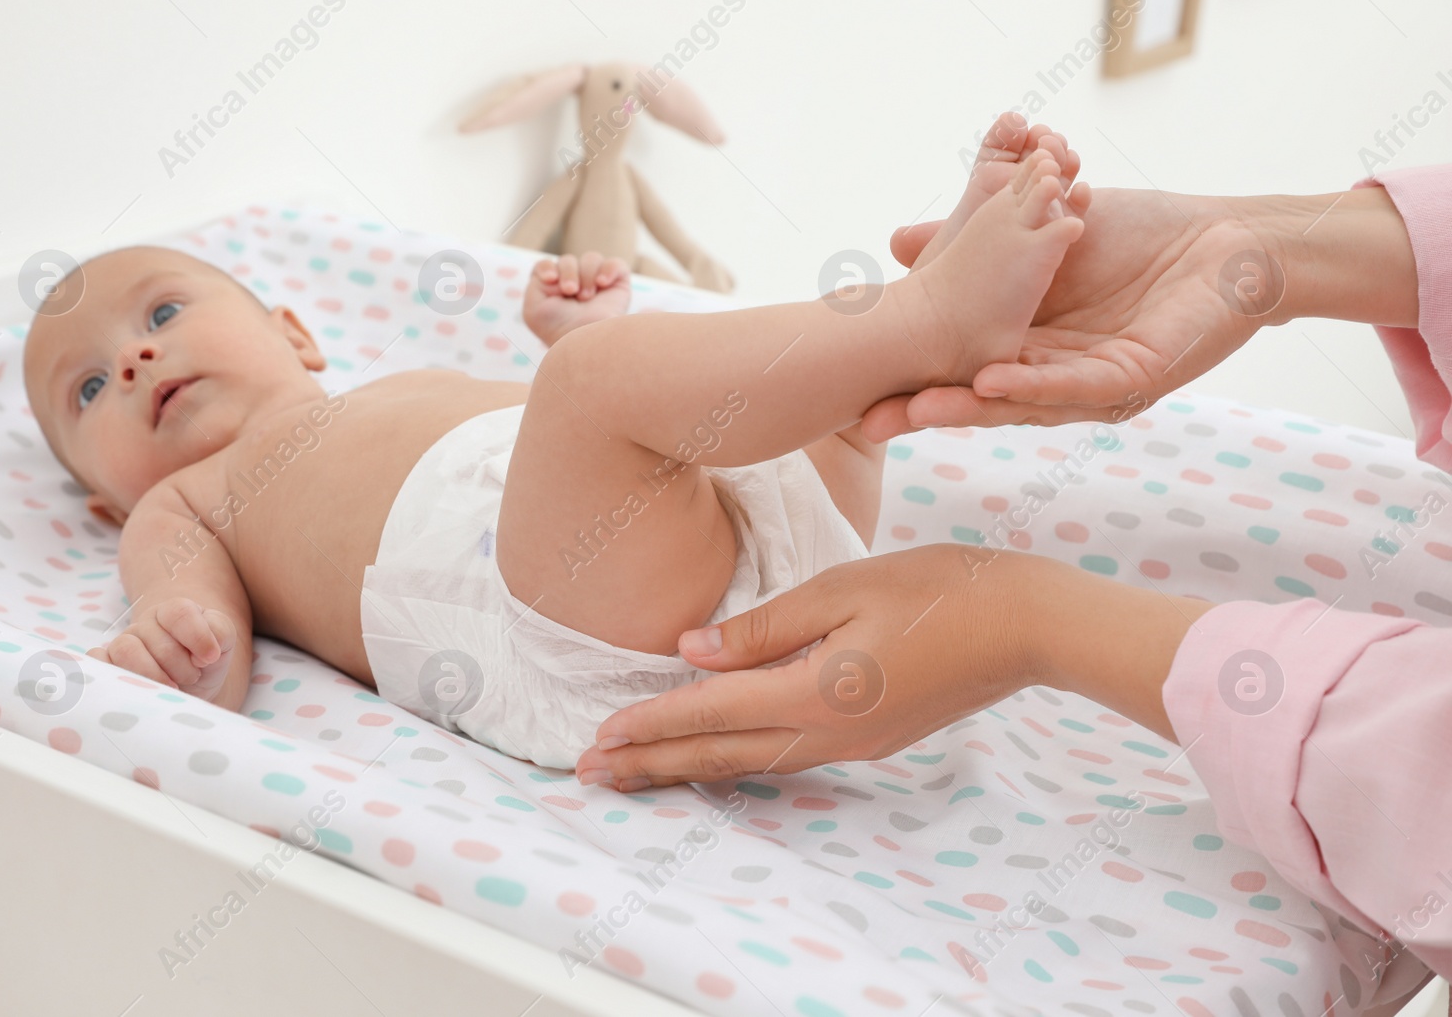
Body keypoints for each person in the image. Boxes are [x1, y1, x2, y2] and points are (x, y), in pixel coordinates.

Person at [574, 158, 1452, 988]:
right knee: (786, 418)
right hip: (659, 545)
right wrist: (1247, 242)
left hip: (559, 580)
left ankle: (926, 320)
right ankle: (924, 322)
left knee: (591, 385)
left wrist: (1020, 616)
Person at [25, 113, 1088, 769]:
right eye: (86, 390)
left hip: (744, 552)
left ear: (293, 333)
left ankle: (893, 361)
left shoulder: (392, 388)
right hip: (548, 625)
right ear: (105, 502)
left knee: (789, 412)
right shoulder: (183, 500)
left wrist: (590, 350)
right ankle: (928, 319)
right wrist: (178, 638)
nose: (132, 363)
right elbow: (186, 608)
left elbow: (580, 459)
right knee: (584, 387)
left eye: (160, 315)